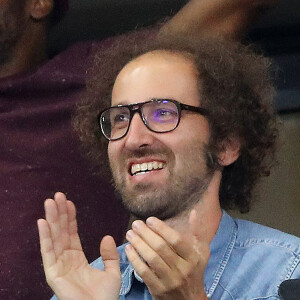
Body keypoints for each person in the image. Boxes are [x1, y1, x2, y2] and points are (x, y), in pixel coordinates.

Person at [0, 0, 279, 298]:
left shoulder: (286, 273)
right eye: (120, 118)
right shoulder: (86, 288)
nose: (133, 139)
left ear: (226, 143)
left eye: (163, 113)